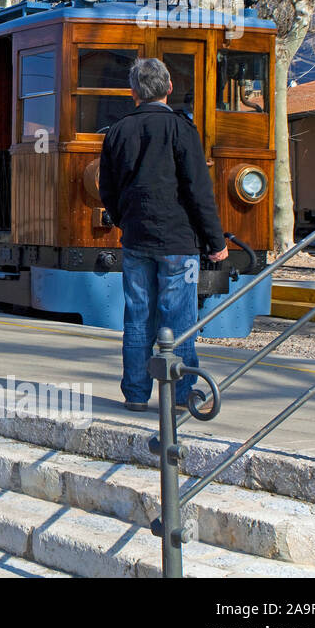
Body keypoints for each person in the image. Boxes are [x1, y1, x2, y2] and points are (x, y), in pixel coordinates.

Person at [100, 57, 228, 413]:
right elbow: (198, 190)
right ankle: (181, 394)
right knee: (179, 318)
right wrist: (216, 243)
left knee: (137, 317)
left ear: (133, 93)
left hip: (136, 240)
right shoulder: (182, 130)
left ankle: (136, 394)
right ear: (169, 88)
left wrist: (126, 220)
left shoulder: (117, 131)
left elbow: (106, 190)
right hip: (177, 240)